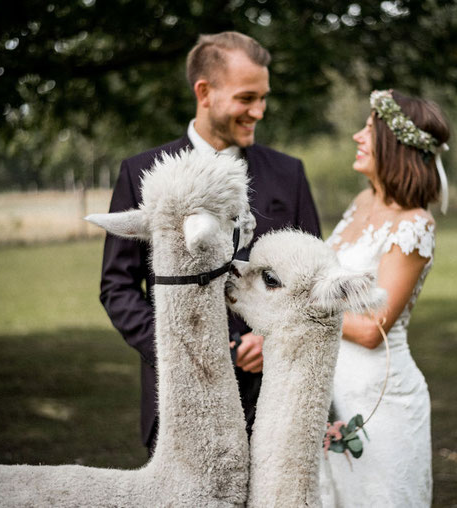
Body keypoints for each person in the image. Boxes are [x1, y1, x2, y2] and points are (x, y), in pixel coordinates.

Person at [100, 31, 321, 455]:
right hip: (180, 404)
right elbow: (117, 288)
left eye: (263, 97)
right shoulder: (142, 174)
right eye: (246, 98)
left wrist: (273, 339)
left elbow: (312, 283)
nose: (258, 110)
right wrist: (182, 351)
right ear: (205, 92)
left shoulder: (288, 174)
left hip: (273, 400)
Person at [320, 89, 450, 507]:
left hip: (381, 399)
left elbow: (371, 330)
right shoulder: (361, 203)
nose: (358, 137)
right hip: (333, 392)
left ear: (394, 147)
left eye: (369, 130)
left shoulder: (415, 225)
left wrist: (301, 312)